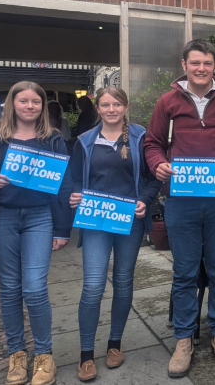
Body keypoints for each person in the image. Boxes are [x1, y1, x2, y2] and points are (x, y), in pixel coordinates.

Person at [144, 39, 215, 378]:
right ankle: (184, 338)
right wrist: (158, 164)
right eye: (195, 63)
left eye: (207, 63)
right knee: (184, 272)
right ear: (184, 65)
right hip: (181, 198)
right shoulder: (167, 102)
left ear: (213, 65)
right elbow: (152, 143)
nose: (201, 69)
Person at [0, 81, 72, 385]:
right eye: (23, 101)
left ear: (42, 107)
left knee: (35, 288)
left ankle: (44, 355)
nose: (29, 106)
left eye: (35, 102)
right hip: (3, 220)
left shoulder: (52, 140)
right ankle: (17, 354)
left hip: (40, 217)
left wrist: (63, 228)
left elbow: (64, 186)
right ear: (11, 104)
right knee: (10, 289)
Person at [61, 87, 161, 381]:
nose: (112, 109)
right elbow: (74, 178)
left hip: (128, 221)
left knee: (123, 281)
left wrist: (145, 199)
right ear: (98, 108)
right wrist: (75, 195)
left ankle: (115, 344)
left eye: (117, 104)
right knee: (92, 286)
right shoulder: (85, 140)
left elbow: (153, 177)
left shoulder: (140, 137)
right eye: (106, 105)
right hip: (95, 222)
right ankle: (86, 354)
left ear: (125, 106)